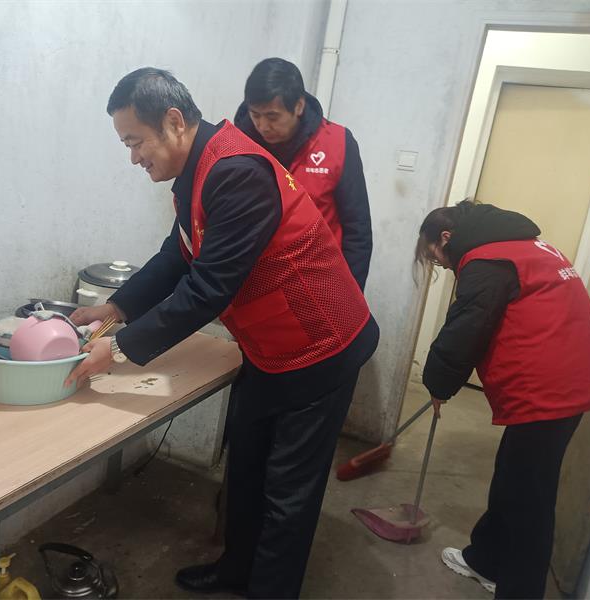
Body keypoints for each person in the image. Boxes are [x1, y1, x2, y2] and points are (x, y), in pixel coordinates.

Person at [66, 68, 379, 599]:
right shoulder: (198, 170)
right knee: (247, 469)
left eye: (136, 142)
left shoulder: (237, 172)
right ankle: (236, 570)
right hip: (270, 348)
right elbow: (177, 255)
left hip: (321, 347)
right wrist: (114, 307)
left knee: (287, 493)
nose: (134, 158)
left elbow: (208, 287)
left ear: (173, 121)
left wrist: (118, 347)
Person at [414, 200, 590, 599]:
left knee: (530, 500)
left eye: (435, 255)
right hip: (568, 380)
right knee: (513, 475)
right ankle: (486, 560)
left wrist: (438, 382)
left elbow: (467, 327)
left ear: (446, 237)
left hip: (550, 389)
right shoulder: (526, 246)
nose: (440, 264)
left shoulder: (486, 261)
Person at [234, 57, 372, 291]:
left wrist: (348, 295)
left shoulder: (338, 143)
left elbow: (357, 227)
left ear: (298, 106)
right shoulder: (238, 145)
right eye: (255, 115)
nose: (263, 126)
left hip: (317, 283)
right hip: (257, 285)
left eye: (272, 116)